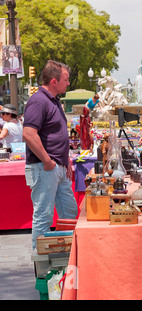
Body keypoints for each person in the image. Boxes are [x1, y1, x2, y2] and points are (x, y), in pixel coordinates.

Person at [22, 60, 79, 250]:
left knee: (69, 212)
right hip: (45, 167)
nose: (68, 83)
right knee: (43, 216)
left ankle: (67, 256)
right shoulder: (39, 100)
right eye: (66, 79)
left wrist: (65, 162)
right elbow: (29, 133)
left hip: (56, 166)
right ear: (54, 81)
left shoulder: (52, 100)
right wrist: (47, 161)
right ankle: (40, 267)